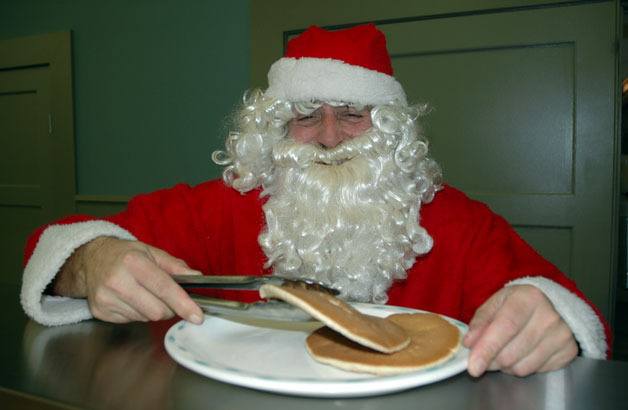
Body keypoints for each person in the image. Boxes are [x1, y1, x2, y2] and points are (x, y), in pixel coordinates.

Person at [20, 24, 609, 378]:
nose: (329, 136)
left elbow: (560, 304)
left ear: (390, 128)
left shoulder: (458, 223)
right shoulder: (221, 207)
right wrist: (90, 261)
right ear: (274, 128)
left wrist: (551, 320)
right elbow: (69, 243)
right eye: (306, 114)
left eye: (352, 113)